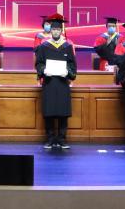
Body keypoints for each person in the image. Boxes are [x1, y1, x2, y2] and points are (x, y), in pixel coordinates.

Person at [35, 15, 77, 150]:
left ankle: (62, 139)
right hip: (49, 82)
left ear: (61, 30)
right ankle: (50, 139)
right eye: (54, 29)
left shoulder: (67, 46)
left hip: (63, 83)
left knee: (63, 112)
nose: (56, 32)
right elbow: (39, 63)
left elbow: (72, 65)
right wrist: (43, 70)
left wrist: (68, 72)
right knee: (49, 111)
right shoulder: (44, 46)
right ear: (50, 31)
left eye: (58, 29)